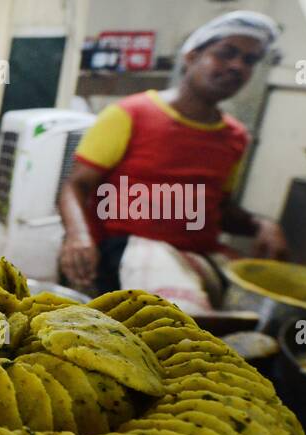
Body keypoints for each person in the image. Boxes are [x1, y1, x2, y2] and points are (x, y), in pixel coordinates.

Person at [58, 10, 289, 312]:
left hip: (200, 250)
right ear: (191, 56)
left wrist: (263, 225)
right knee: (180, 322)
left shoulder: (235, 136)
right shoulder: (130, 114)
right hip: (131, 246)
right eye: (226, 54)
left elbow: (220, 208)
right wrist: (78, 236)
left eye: (249, 60)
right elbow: (76, 186)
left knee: (270, 309)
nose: (237, 66)